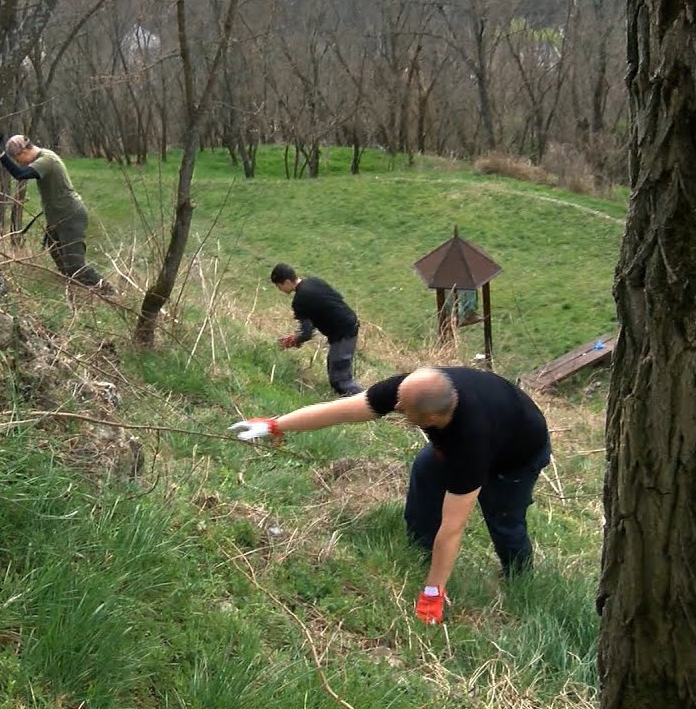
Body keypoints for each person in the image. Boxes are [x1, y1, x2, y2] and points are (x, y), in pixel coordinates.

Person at [229, 366, 551, 625]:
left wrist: (432, 592)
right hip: (483, 426)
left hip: (516, 456)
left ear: (431, 420)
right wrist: (276, 425)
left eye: (403, 409)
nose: (395, 408)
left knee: (504, 517)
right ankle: (418, 549)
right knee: (425, 473)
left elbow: (453, 529)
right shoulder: (414, 388)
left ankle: (519, 578)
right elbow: (343, 410)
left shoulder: (470, 441)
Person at [0, 132, 109, 290]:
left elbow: (20, 174)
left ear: (23, 151)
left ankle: (108, 292)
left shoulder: (47, 160)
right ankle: (77, 289)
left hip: (70, 216)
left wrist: (0, 153)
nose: (17, 162)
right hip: (57, 217)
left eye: (16, 158)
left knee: (76, 265)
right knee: (58, 255)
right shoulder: (41, 158)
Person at [270, 263, 362, 396]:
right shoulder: (314, 281)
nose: (280, 290)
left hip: (343, 333)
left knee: (341, 381)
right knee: (335, 369)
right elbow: (336, 298)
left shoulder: (299, 300)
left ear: (287, 282)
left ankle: (369, 403)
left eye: (279, 286)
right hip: (348, 324)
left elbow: (307, 333)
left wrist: (294, 340)